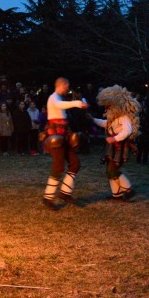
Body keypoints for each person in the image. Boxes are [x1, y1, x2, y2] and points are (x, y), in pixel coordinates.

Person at [41, 77, 88, 210]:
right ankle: (48, 198)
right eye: (66, 87)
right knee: (58, 167)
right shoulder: (53, 98)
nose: (68, 89)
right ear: (62, 85)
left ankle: (64, 193)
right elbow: (59, 105)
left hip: (64, 137)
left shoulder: (60, 98)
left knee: (75, 164)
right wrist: (77, 103)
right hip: (56, 138)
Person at [91, 85, 140, 201]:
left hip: (120, 147)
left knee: (112, 170)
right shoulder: (113, 117)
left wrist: (114, 139)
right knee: (109, 170)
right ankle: (116, 194)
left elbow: (128, 130)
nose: (107, 108)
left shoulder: (124, 117)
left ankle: (129, 190)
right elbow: (106, 124)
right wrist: (92, 119)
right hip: (112, 146)